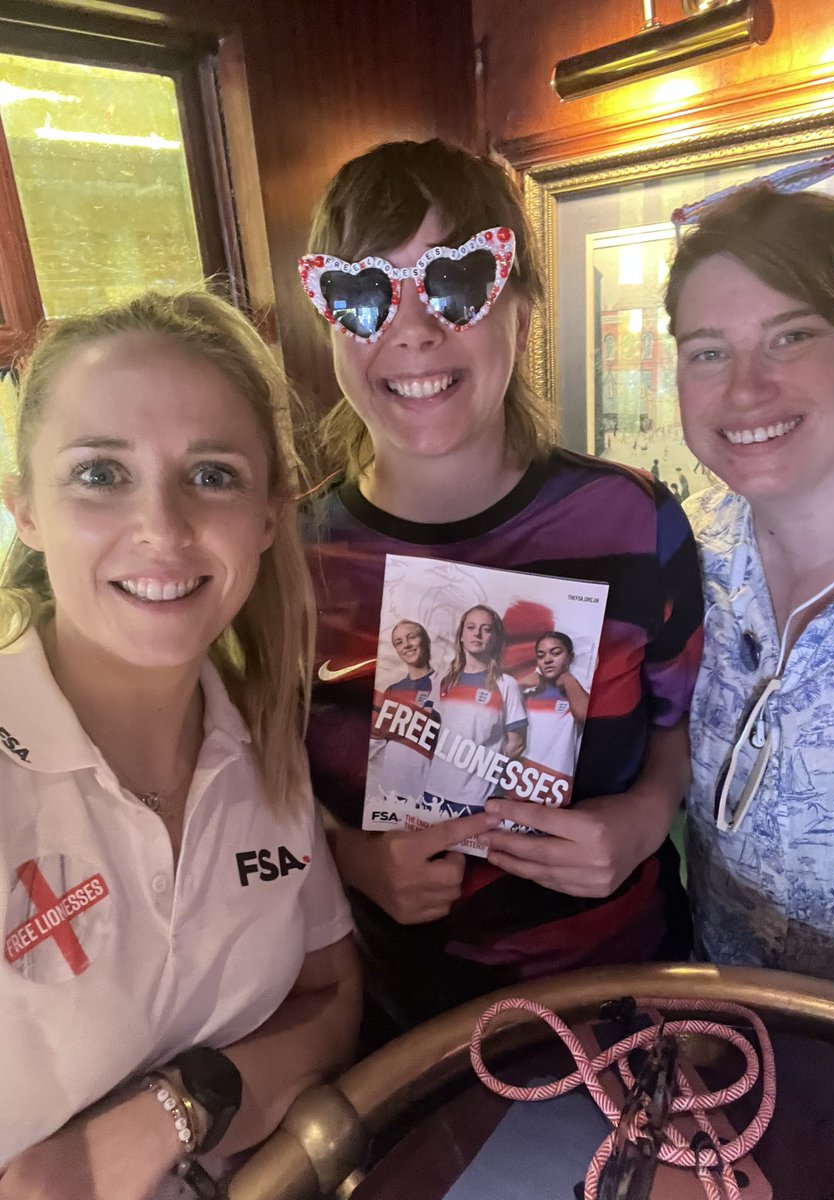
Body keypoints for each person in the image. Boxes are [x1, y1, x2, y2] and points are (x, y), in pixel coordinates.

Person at [301, 137, 703, 1034]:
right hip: (398, 1029)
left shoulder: (634, 524)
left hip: (624, 1002)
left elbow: (680, 729)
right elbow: (251, 802)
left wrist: (642, 817)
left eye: (456, 283)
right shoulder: (284, 565)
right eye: (363, 294)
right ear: (329, 321)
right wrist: (351, 860)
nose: (411, 329)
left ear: (520, 305)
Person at [0, 291, 360, 1198]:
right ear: (26, 509)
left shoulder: (265, 736)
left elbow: (330, 998)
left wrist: (176, 1109)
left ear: (270, 515)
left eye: (211, 476)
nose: (162, 528)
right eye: (100, 475)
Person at [667, 182, 834, 997]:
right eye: (708, 351)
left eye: (790, 336)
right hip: (724, 1052)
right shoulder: (675, 551)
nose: (746, 389)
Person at [423, 605, 526, 814]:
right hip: (433, 791)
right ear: (461, 636)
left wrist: (483, 773)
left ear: (495, 639)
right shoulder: (444, 679)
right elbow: (427, 728)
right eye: (471, 627)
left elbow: (516, 743)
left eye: (486, 629)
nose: (477, 633)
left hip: (477, 799)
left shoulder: (507, 685)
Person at [371, 618, 437, 801]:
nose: (406, 645)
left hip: (425, 791)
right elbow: (377, 738)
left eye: (411, 637)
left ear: (425, 640)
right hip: (390, 791)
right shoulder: (392, 690)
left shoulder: (444, 684)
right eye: (399, 642)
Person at [518, 631, 589, 797]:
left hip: (555, 788)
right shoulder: (528, 694)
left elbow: (586, 717)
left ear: (570, 657)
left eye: (556, 653)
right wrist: (519, 684)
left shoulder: (577, 693)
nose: (547, 660)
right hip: (518, 779)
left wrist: (568, 679)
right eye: (541, 655)